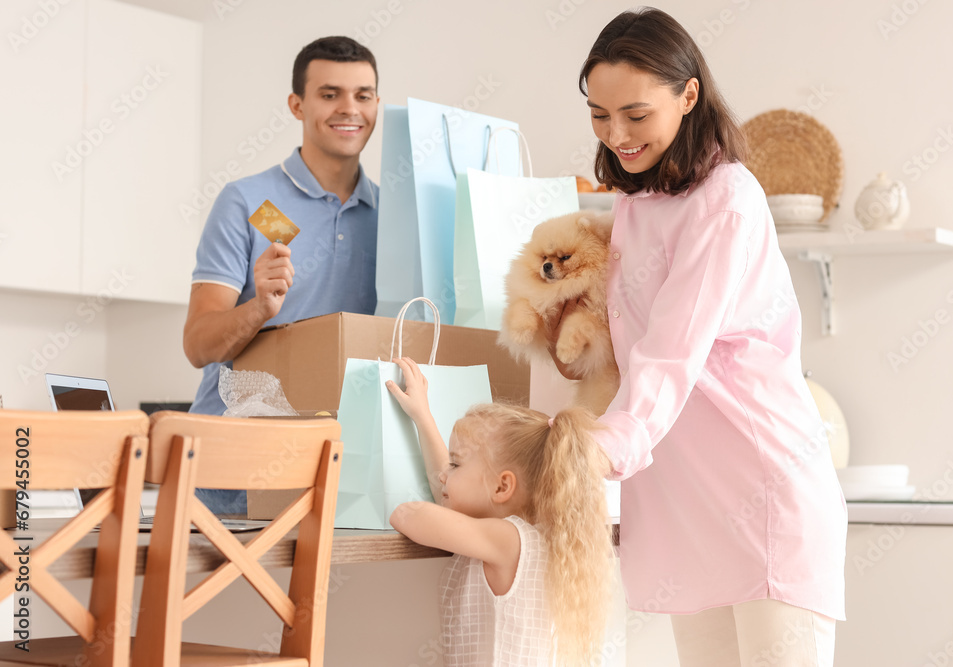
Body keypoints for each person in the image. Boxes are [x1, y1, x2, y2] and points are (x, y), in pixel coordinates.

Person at [559, 7, 847, 667]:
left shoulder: (726, 199)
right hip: (690, 506)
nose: (617, 134)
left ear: (689, 95)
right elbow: (631, 340)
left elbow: (672, 352)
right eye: (600, 115)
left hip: (764, 489)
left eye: (635, 114)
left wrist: (604, 446)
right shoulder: (637, 201)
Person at [183, 36, 380, 513]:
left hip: (330, 466)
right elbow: (198, 344)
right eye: (329, 94)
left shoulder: (392, 217)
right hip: (226, 466)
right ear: (297, 105)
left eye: (363, 95)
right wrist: (259, 309)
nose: (348, 109)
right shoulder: (249, 203)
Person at [385, 357, 613, 667]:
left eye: (456, 464)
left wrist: (408, 503)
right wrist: (423, 417)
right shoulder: (528, 536)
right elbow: (446, 488)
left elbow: (410, 515)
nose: (444, 476)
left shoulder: (508, 539)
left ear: (502, 487)